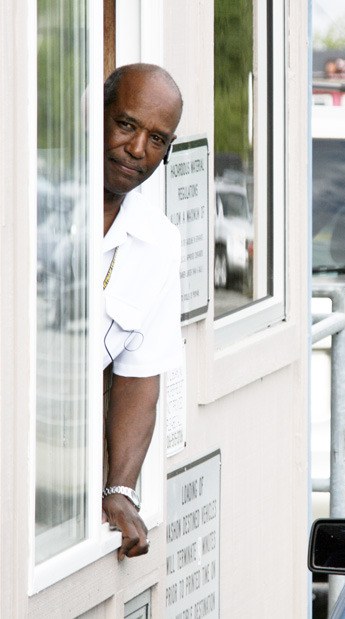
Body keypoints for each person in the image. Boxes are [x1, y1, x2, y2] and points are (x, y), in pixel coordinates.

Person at [101, 63, 183, 560]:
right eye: (127, 125)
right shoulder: (34, 200)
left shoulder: (158, 242)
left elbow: (139, 373)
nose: (136, 150)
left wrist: (120, 490)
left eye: (157, 139)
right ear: (99, 116)